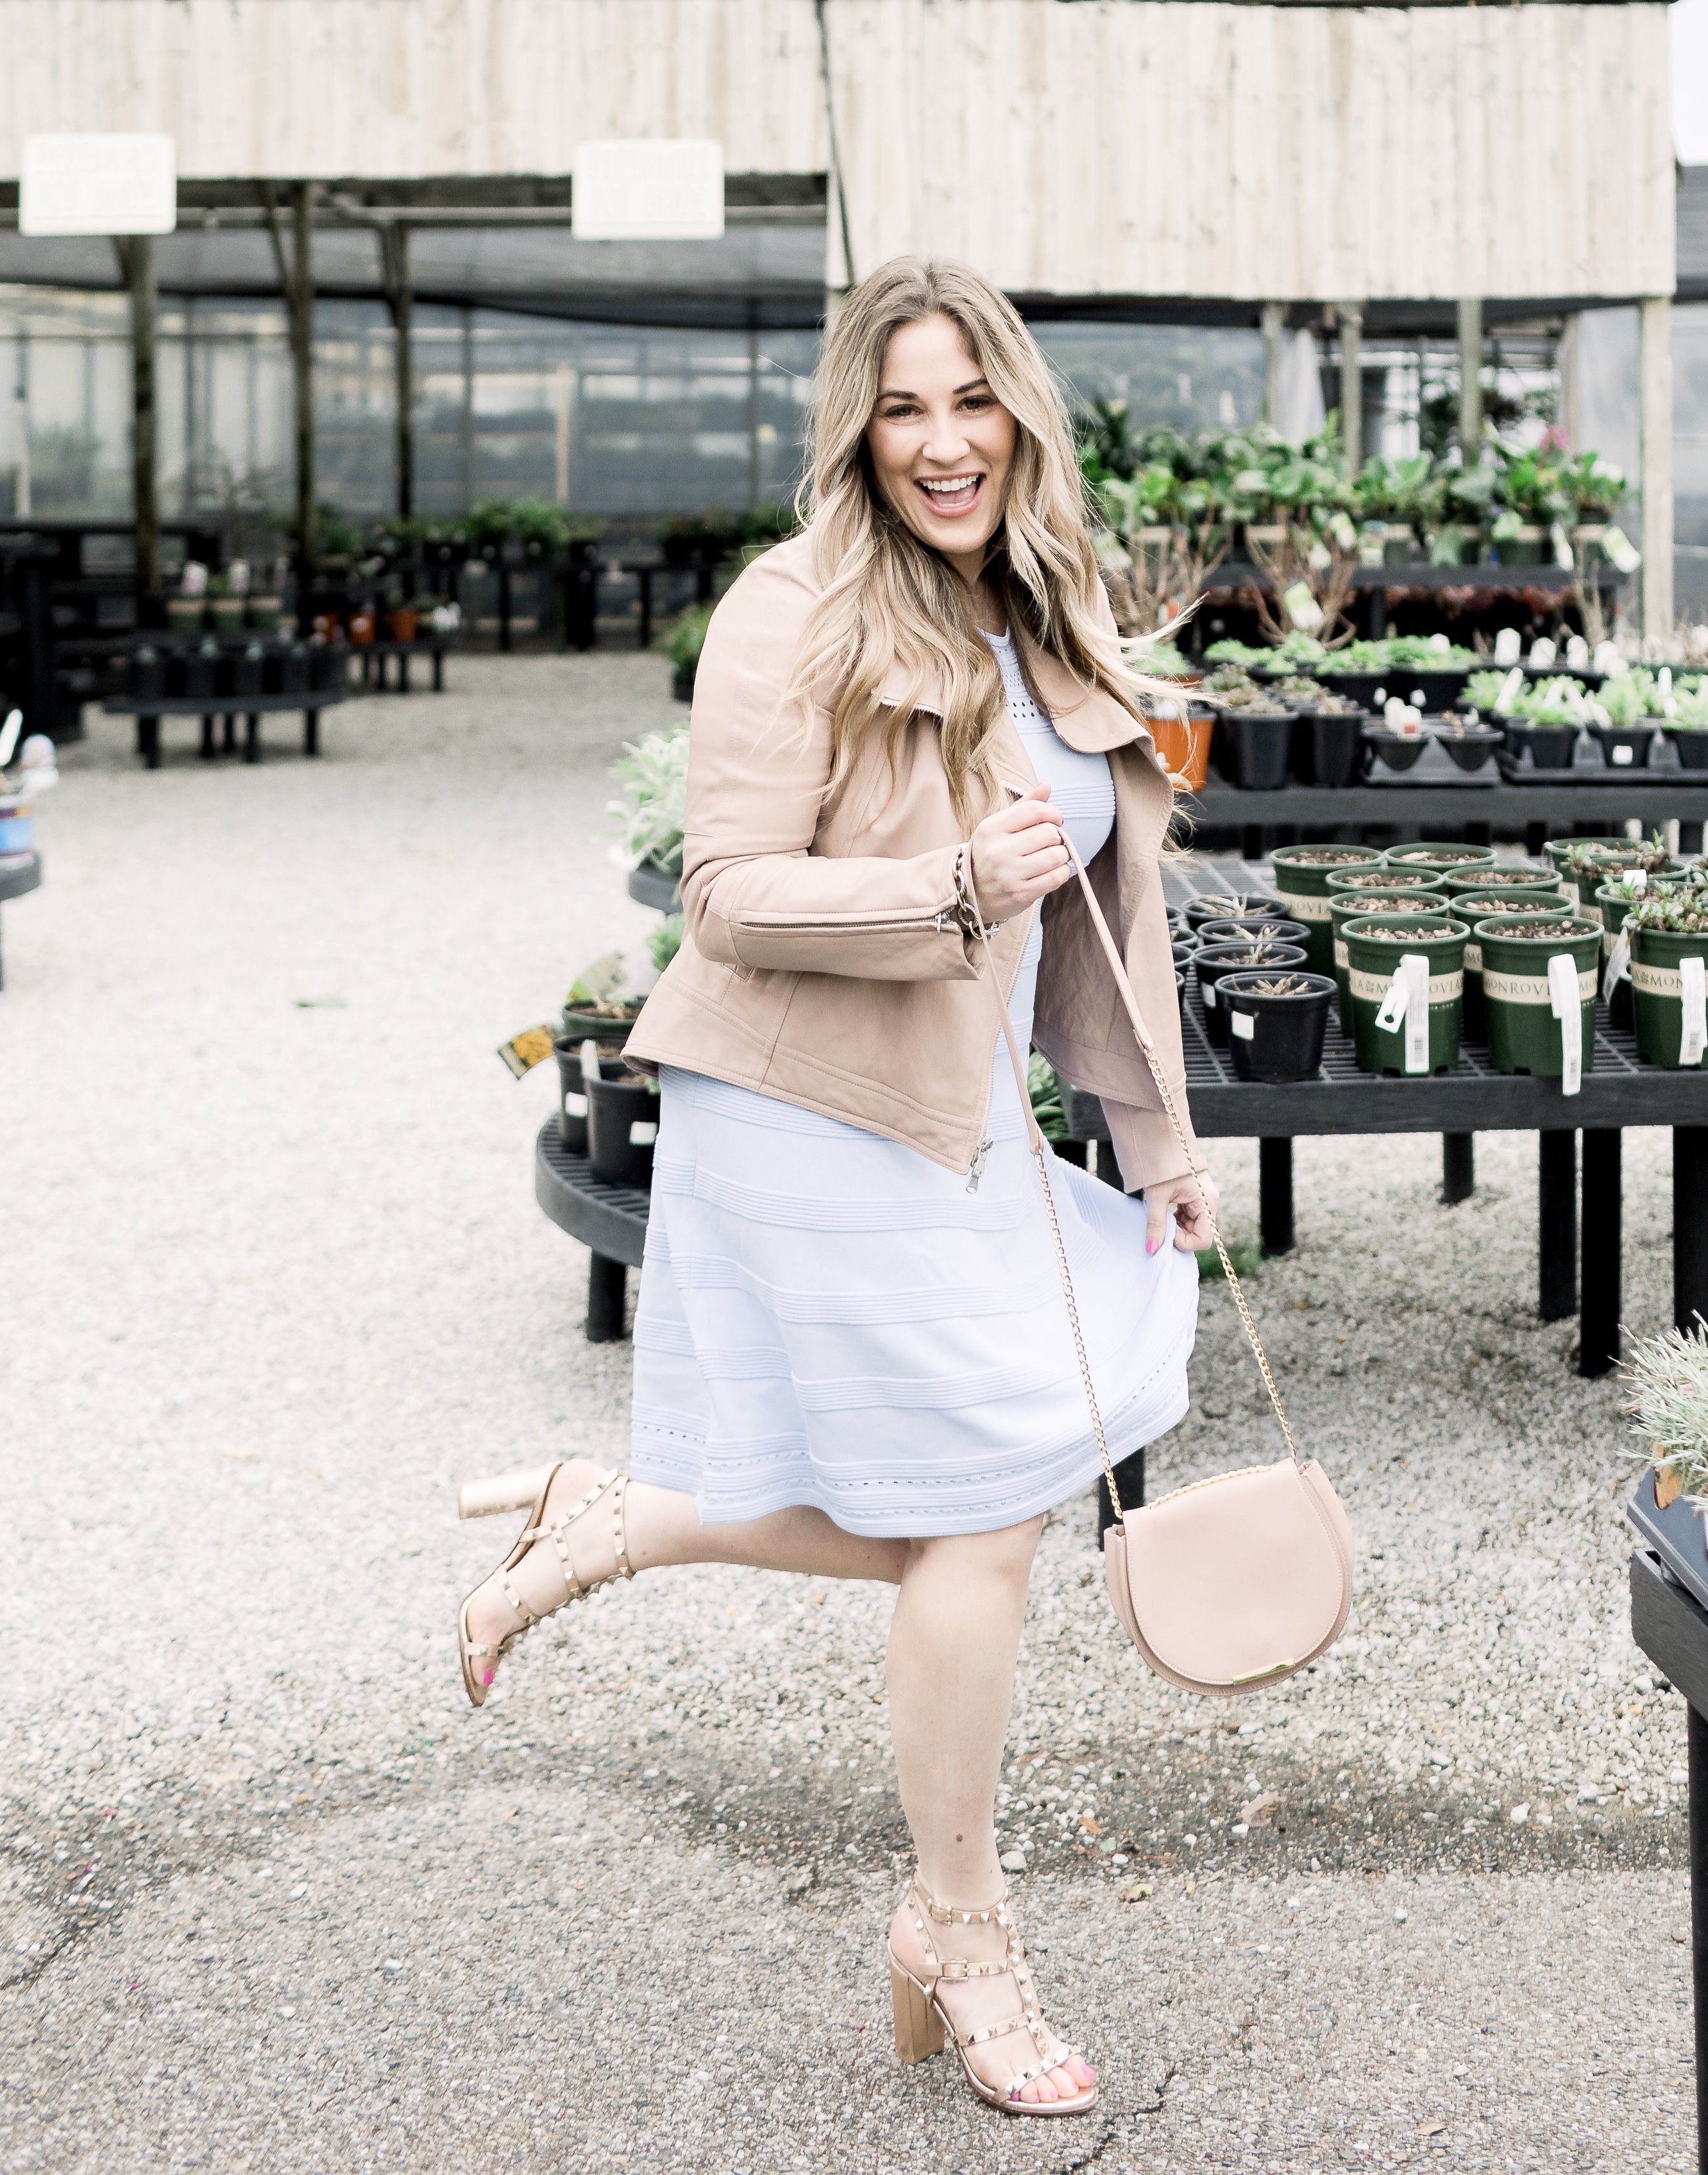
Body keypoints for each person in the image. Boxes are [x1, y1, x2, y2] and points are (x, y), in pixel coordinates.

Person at [455, 256, 1217, 2119]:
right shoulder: (791, 609)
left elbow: (1109, 916)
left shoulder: (1052, 604)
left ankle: (632, 1518)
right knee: (993, 1512)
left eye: (973, 401)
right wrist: (953, 886)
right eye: (903, 406)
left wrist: (1160, 1139)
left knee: (991, 1506)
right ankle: (960, 1932)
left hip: (962, 1120)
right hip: (813, 1106)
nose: (944, 441)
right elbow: (727, 890)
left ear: (1021, 412)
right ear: (855, 428)